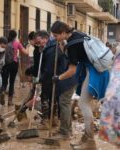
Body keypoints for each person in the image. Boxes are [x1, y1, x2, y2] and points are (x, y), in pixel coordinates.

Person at [51, 21, 109, 149]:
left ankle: (90, 141)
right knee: (85, 103)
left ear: (63, 32)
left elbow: (71, 70)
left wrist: (58, 77)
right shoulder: (77, 34)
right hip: (99, 70)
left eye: (56, 35)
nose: (54, 38)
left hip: (95, 72)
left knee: (83, 103)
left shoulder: (72, 44)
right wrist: (61, 42)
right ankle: (86, 138)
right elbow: (67, 54)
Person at [0, 30, 28, 106]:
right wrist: (27, 47)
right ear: (15, 36)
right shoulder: (17, 43)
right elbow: (26, 52)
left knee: (4, 81)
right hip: (14, 64)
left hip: (5, 64)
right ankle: (9, 101)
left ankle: (2, 91)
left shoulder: (5, 42)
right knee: (12, 82)